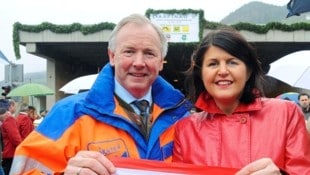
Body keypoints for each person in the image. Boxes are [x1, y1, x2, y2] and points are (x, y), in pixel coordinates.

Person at [10, 13, 191, 175]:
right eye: (129, 51)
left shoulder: (183, 119)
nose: (139, 62)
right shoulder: (67, 114)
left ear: (161, 62)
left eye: (149, 53)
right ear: (112, 56)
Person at [172, 28, 310, 174]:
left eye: (232, 62)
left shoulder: (286, 113)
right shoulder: (185, 130)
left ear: (248, 71)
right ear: (201, 73)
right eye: (213, 64)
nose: (223, 71)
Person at [0, 102, 22, 175]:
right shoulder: (9, 120)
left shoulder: (8, 121)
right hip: (11, 153)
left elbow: (15, 137)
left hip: (10, 153)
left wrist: (21, 146)